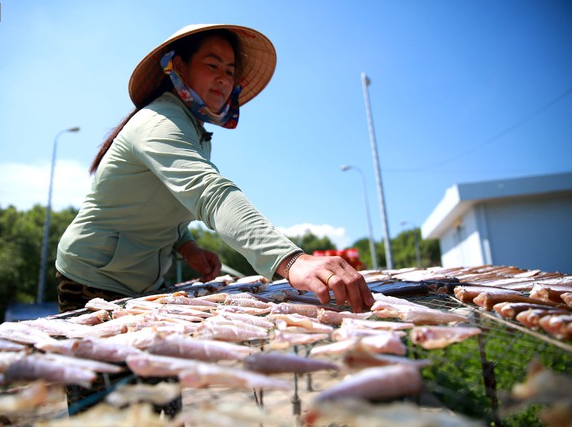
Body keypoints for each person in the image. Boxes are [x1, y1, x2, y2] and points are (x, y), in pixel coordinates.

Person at [55, 23, 374, 412]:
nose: (223, 79)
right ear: (177, 68)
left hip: (144, 285)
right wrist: (290, 260)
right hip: (92, 280)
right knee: (106, 407)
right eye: (212, 65)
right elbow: (210, 193)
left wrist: (186, 246)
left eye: (229, 71)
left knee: (160, 398)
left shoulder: (191, 130)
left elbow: (156, 205)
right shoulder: (158, 124)